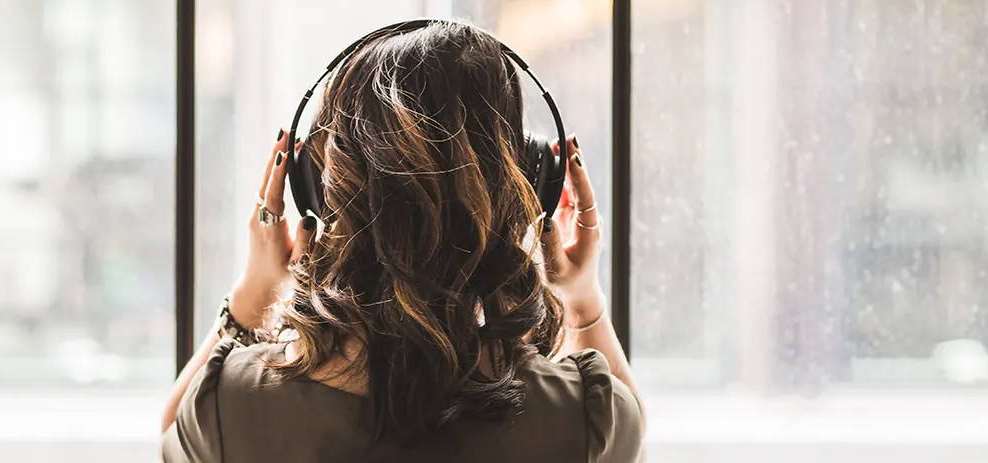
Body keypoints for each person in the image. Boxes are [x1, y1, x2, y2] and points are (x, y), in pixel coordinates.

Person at [160, 20, 644, 462]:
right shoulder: (586, 416)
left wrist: (253, 296)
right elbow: (631, 444)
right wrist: (583, 301)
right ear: (529, 184)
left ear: (315, 189)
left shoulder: (229, 405)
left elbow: (174, 440)